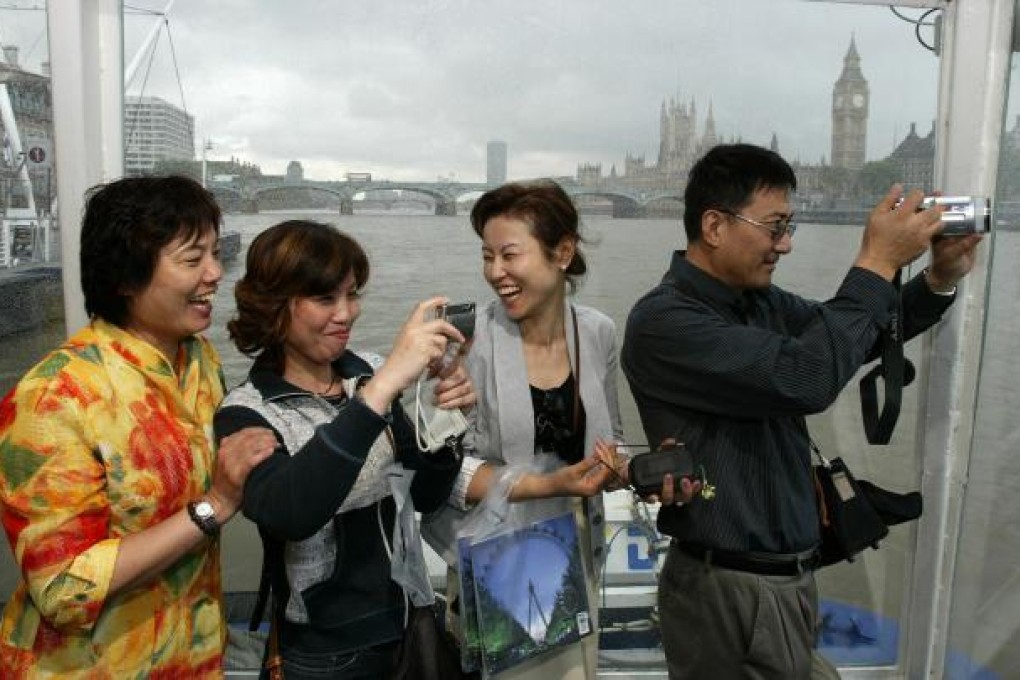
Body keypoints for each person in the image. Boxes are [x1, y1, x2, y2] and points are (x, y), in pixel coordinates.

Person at [621, 143, 983, 679]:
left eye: (790, 226)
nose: (785, 244)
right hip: (730, 587)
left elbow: (849, 341)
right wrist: (879, 260)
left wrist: (936, 280)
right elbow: (808, 378)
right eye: (774, 227)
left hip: (784, 580)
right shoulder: (665, 322)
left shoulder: (760, 302)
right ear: (715, 226)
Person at [0, 176, 278, 677]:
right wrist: (213, 506)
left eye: (215, 254)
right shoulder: (56, 396)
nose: (216, 273)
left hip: (191, 656)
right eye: (193, 260)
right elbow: (62, 590)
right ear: (126, 277)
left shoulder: (199, 361)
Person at [213, 220, 474, 679]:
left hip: (409, 623)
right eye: (325, 298)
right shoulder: (246, 411)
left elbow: (429, 494)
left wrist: (442, 420)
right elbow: (292, 511)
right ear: (274, 305)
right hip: (325, 654)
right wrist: (384, 387)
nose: (346, 313)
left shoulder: (365, 372)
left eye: (352, 294)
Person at [423, 180, 636, 680]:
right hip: (498, 556)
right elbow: (445, 474)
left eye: (509, 255)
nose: (496, 272)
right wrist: (550, 483)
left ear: (562, 252)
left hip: (578, 547)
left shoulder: (598, 331)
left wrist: (628, 468)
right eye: (487, 256)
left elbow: (613, 436)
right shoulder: (466, 343)